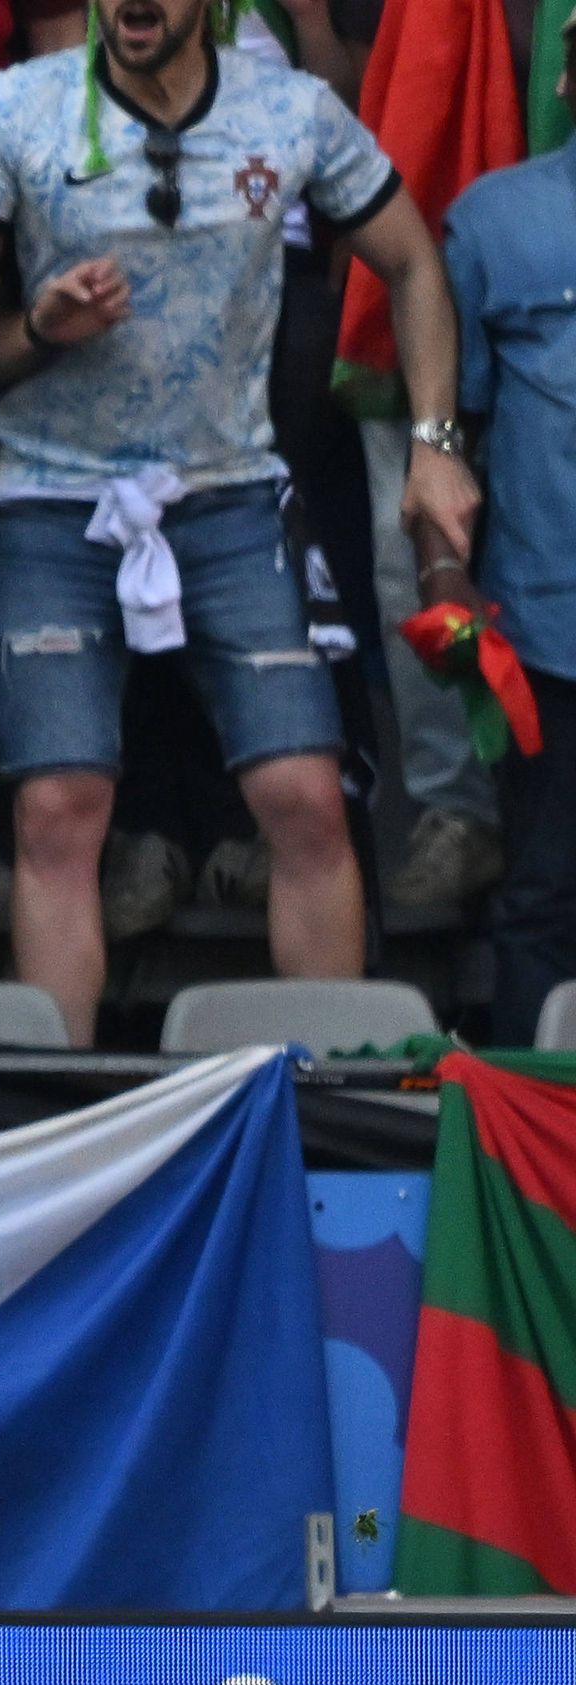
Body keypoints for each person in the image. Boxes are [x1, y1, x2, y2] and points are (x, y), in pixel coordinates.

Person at [0, 0, 480, 1043]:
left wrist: (434, 443)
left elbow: (414, 263)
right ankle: (55, 1113)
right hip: (51, 503)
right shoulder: (17, 109)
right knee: (57, 810)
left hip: (230, 495)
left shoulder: (289, 110)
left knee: (302, 796)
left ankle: (322, 1087)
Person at [446, 86, 576, 1043]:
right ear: (567, 77)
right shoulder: (496, 218)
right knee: (543, 897)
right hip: (548, 626)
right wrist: (441, 577)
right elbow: (451, 432)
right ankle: (528, 1155)